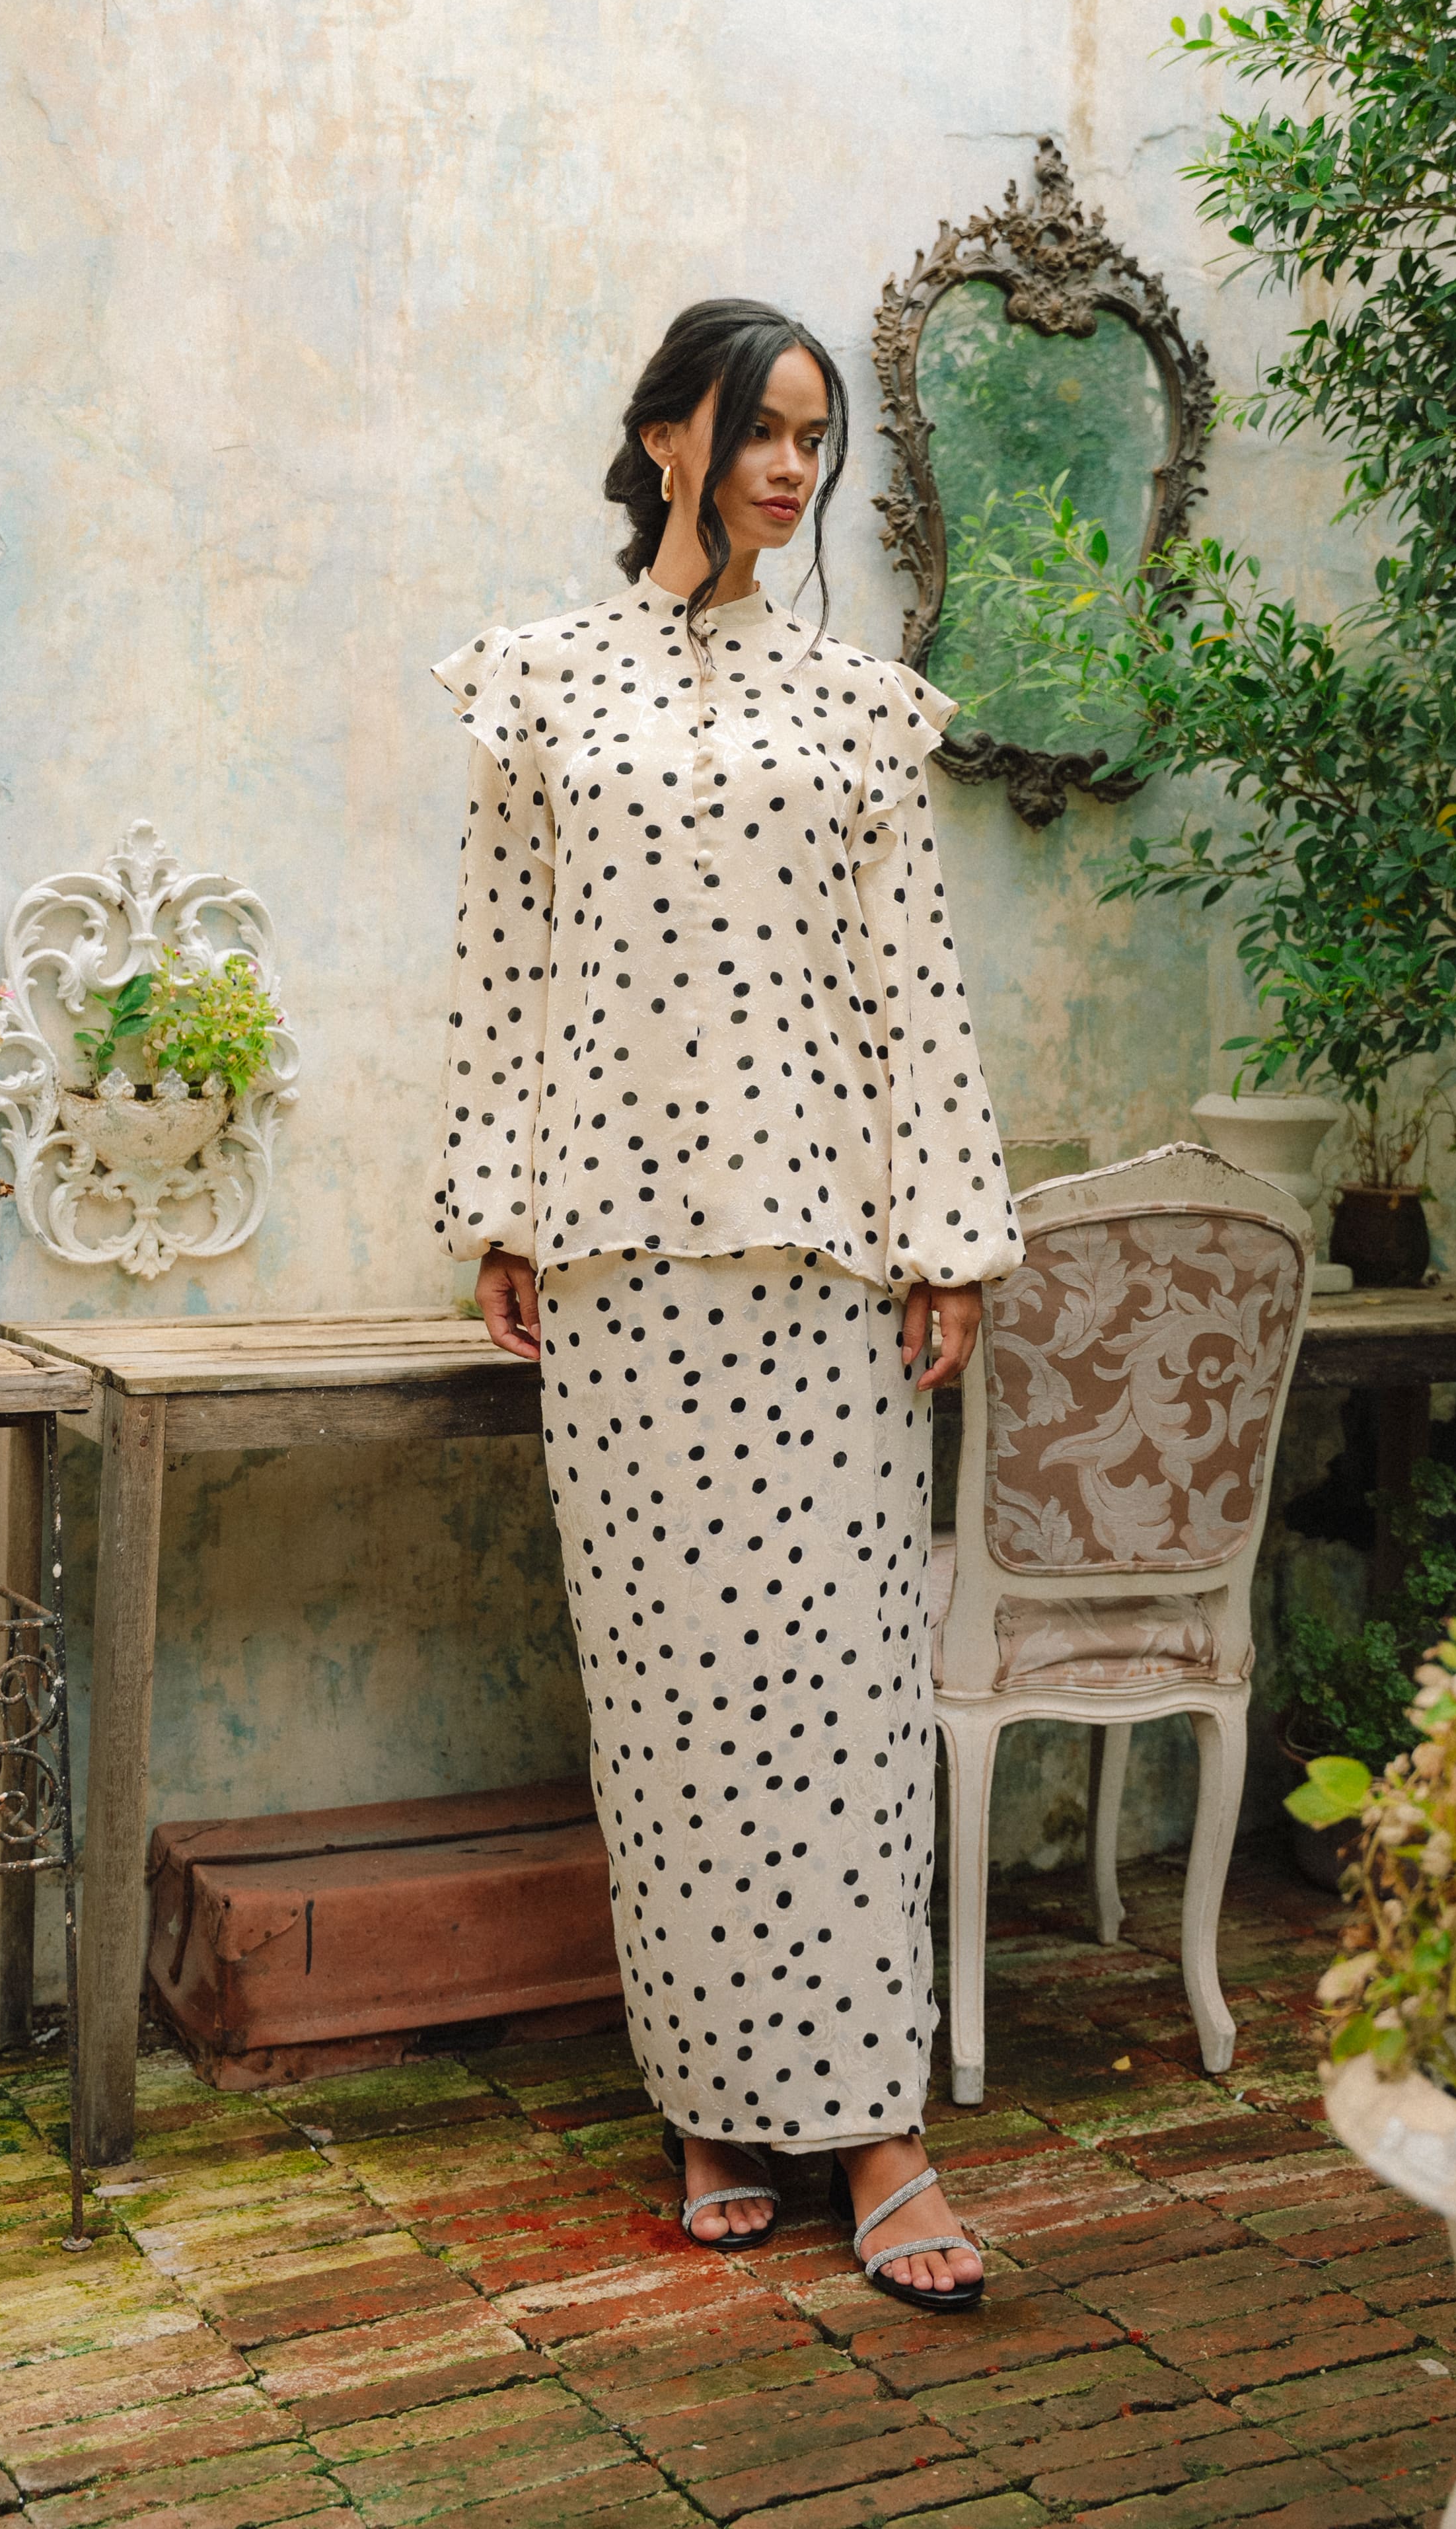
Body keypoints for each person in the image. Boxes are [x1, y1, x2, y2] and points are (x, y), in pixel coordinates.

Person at [432, 297, 1024, 2308]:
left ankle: (877, 2131)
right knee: (673, 1710)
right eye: (760, 428)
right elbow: (505, 966)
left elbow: (912, 982)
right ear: (669, 435)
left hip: (827, 1270)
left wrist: (945, 1236)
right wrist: (500, 1212)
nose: (791, 468)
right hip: (619, 1271)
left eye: (814, 438)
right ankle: (708, 2103)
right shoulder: (541, 689)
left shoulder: (858, 708)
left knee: (844, 1703)